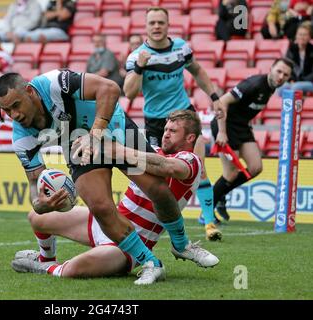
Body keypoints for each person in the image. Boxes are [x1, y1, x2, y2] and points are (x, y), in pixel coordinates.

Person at [0, 70, 189, 285]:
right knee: (100, 206)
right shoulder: (21, 137)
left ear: (30, 91)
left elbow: (110, 88)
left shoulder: (54, 83)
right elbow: (35, 182)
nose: (14, 115)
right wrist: (40, 204)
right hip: (77, 145)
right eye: (6, 110)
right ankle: (151, 263)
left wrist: (95, 135)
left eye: (16, 105)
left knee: (157, 189)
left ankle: (182, 244)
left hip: (113, 129)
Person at [11, 110, 219, 278]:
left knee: (73, 269)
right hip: (110, 223)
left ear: (190, 137)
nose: (166, 133)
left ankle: (42, 268)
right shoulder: (151, 149)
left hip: (131, 244)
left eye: (173, 131)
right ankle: (46, 259)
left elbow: (168, 167)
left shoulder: (191, 160)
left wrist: (119, 151)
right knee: (37, 216)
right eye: (165, 128)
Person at [123, 7, 224, 241]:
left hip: (185, 116)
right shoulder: (136, 56)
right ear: (146, 27)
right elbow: (129, 93)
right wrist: (140, 66)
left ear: (168, 25)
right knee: (159, 175)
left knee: (200, 167)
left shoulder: (181, 48)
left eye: (161, 22)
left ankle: (209, 223)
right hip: (156, 122)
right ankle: (161, 225)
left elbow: (197, 71)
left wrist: (215, 97)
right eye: (152, 23)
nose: (156, 27)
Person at [211, 58, 293, 220]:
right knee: (231, 174)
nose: (281, 76)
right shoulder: (254, 84)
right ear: (271, 69)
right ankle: (207, 212)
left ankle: (221, 194)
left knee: (255, 168)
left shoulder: (271, 88)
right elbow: (222, 102)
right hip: (226, 126)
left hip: (242, 127)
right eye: (279, 71)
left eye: (285, 74)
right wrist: (221, 132)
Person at [280, 22, 313, 95]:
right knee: (281, 87)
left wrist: (299, 80)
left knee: (296, 87)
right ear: (296, 36)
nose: (302, 37)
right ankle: (281, 106)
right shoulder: (291, 49)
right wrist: (291, 79)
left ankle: (294, 106)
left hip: (309, 82)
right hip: (293, 81)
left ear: (309, 37)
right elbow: (286, 67)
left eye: (305, 35)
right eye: (300, 34)